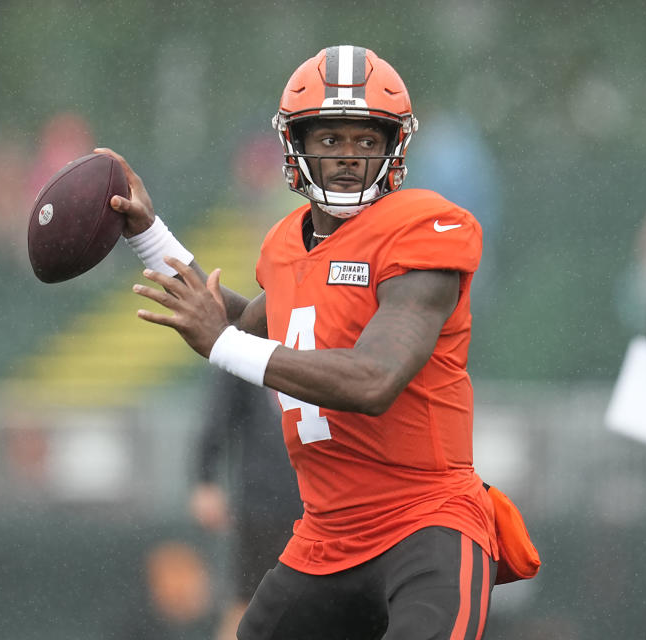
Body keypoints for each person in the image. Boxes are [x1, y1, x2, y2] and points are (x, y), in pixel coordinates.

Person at [95, 46, 538, 639]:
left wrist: (221, 346)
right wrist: (149, 234)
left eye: (366, 139)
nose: (349, 157)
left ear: (394, 146)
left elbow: (373, 380)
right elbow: (239, 321)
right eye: (329, 140)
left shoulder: (425, 228)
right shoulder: (286, 245)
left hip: (424, 524)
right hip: (325, 538)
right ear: (296, 147)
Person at [190, 369, 301, 639]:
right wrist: (206, 479)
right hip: (266, 504)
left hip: (323, 503)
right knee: (247, 602)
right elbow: (219, 413)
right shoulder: (252, 338)